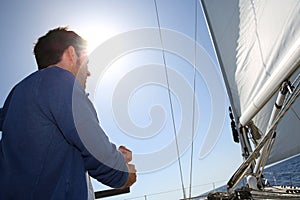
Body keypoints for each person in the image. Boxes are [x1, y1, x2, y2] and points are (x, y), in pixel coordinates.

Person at [0, 27, 136, 199]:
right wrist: (126, 171)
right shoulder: (61, 82)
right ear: (72, 54)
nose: (88, 72)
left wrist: (115, 156)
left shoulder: (17, 94)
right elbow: (102, 159)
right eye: (86, 62)